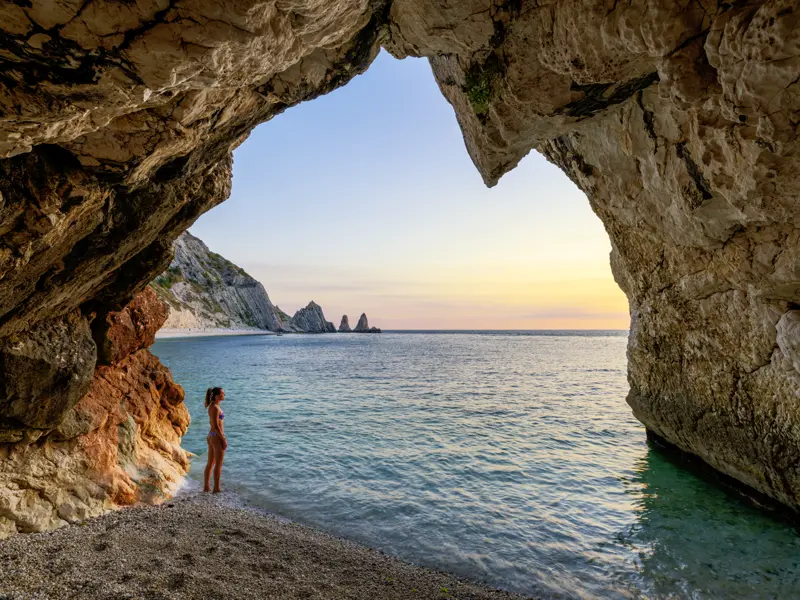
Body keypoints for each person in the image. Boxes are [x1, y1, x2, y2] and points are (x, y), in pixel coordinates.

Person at [203, 387, 227, 493]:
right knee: (218, 464)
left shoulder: (214, 406)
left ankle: (206, 487)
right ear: (216, 396)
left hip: (212, 435)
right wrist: (224, 439)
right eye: (222, 393)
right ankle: (216, 488)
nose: (224, 395)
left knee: (211, 463)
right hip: (216, 436)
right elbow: (216, 426)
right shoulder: (215, 408)